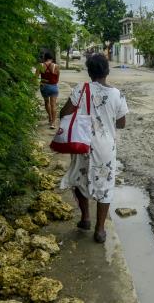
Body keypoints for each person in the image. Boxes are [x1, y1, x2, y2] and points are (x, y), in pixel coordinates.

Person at [59, 54, 128, 243]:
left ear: (89, 72)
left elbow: (63, 113)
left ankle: (85, 219)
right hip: (105, 147)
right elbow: (121, 123)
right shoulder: (117, 94)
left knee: (79, 179)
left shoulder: (81, 89)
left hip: (82, 144)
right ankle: (100, 230)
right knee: (105, 186)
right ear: (107, 70)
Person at [35, 52, 60, 129]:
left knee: (46, 102)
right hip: (53, 87)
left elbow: (35, 77)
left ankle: (49, 117)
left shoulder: (40, 65)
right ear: (52, 58)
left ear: (44, 58)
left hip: (44, 87)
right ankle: (53, 123)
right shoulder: (56, 66)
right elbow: (57, 78)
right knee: (53, 104)